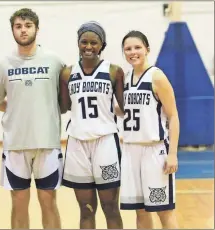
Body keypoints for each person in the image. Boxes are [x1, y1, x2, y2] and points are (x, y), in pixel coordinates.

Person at [0, 8, 64, 229]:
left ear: (37, 29)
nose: (23, 30)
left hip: (47, 144)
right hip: (15, 145)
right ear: (12, 30)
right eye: (18, 26)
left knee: (48, 202)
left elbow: (65, 97)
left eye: (28, 25)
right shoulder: (4, 65)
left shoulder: (54, 61)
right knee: (18, 204)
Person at [59, 21, 124, 229]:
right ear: (78, 43)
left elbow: (125, 107)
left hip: (105, 142)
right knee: (86, 209)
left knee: (110, 206)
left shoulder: (114, 71)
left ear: (102, 44)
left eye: (94, 42)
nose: (88, 47)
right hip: (77, 143)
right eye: (84, 42)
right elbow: (64, 107)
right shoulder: (67, 73)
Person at [120, 30, 179, 229]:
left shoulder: (157, 76)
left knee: (164, 211)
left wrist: (173, 154)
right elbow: (124, 111)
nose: (133, 52)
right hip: (130, 151)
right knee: (141, 211)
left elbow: (173, 116)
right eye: (128, 48)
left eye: (137, 47)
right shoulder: (125, 78)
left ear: (147, 50)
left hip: (155, 151)